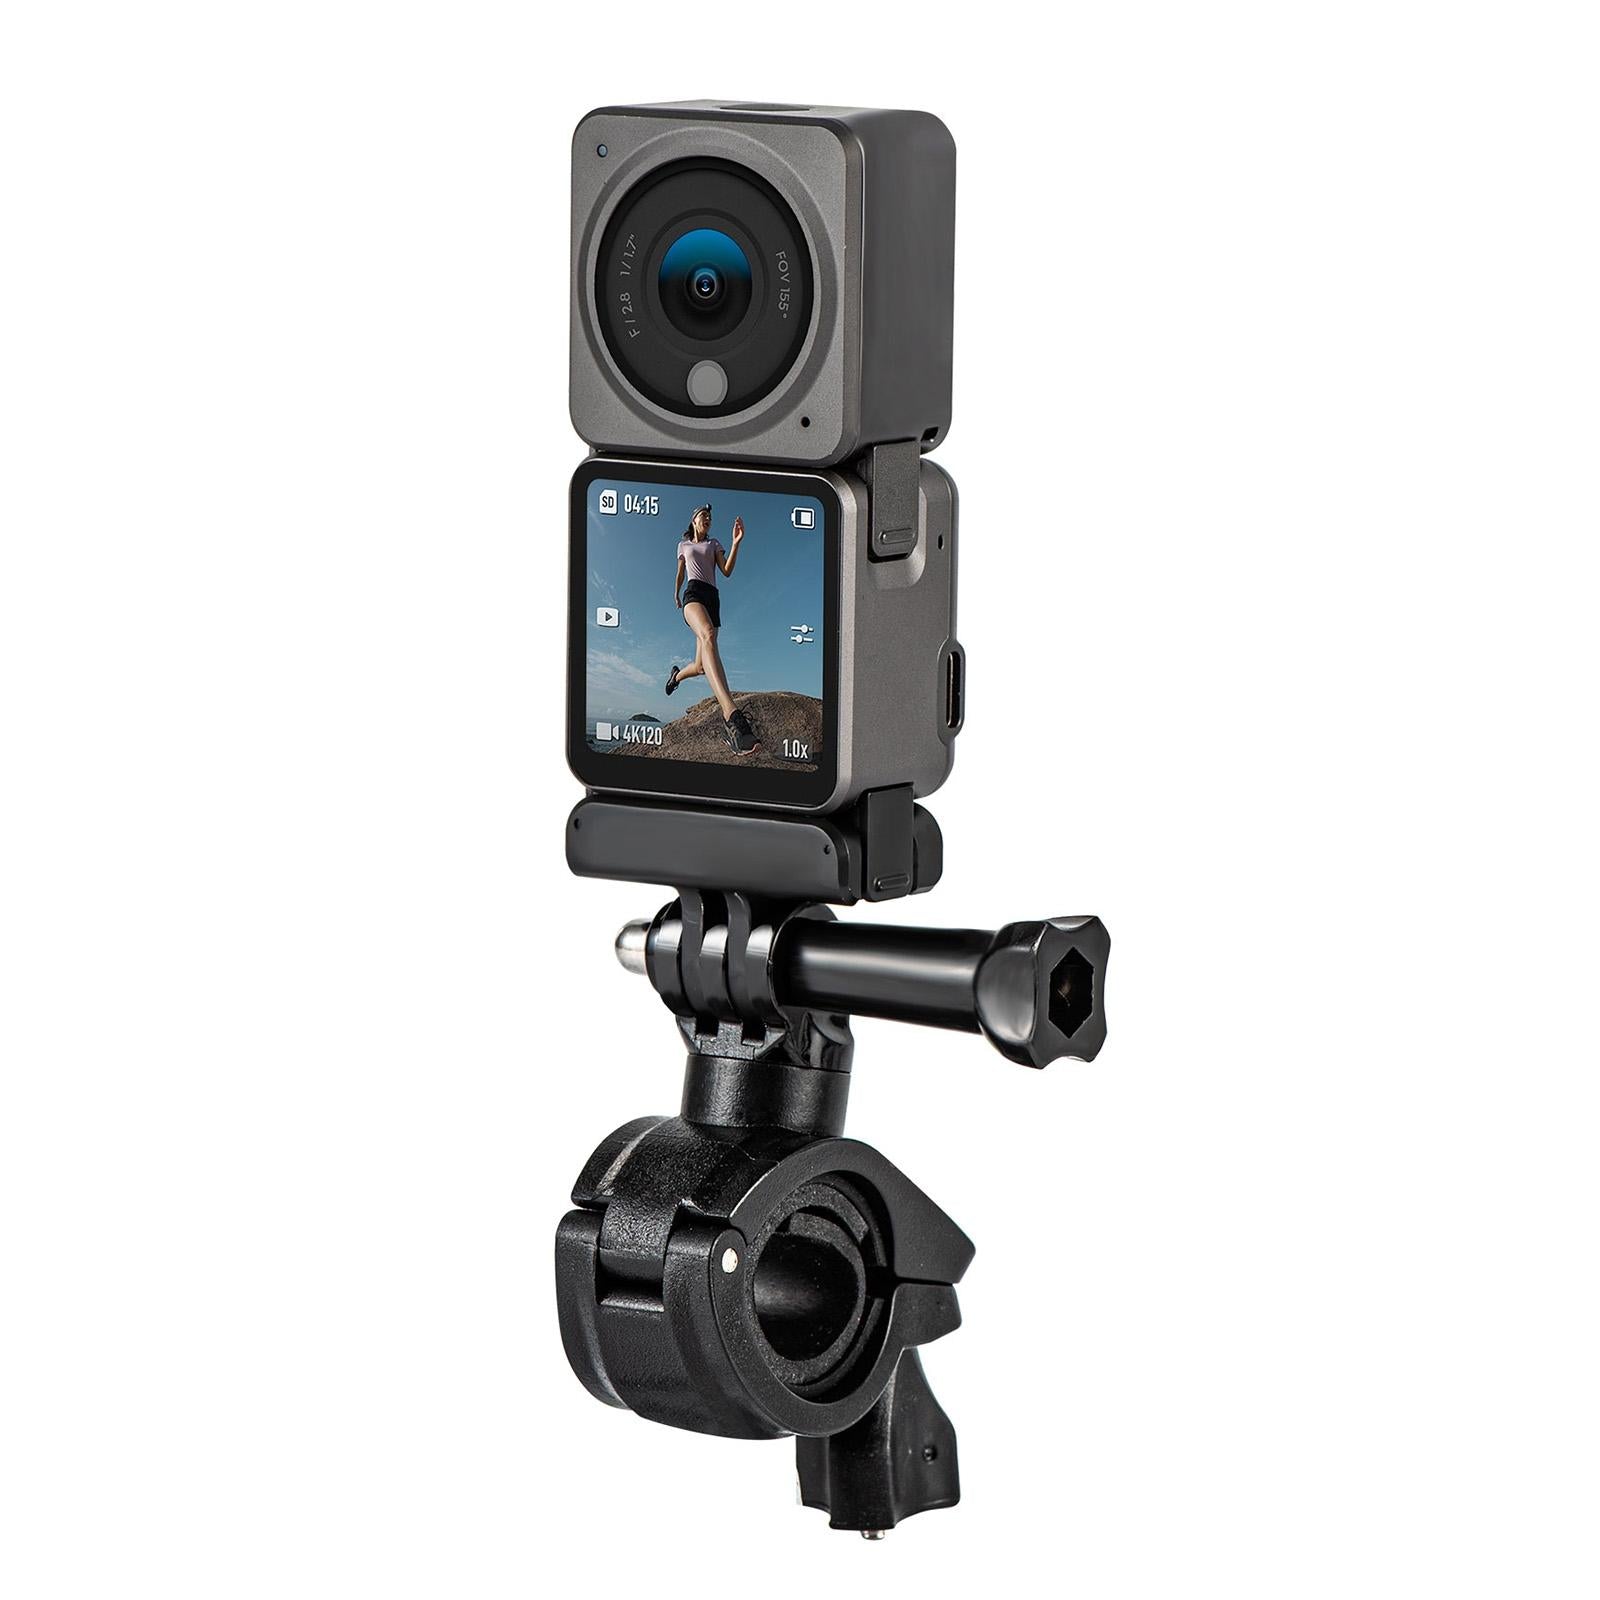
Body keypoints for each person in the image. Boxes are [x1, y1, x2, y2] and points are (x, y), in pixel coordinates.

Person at [665, 504, 760, 755]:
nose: (707, 518)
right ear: (694, 520)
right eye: (703, 515)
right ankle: (732, 716)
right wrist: (676, 593)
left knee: (700, 667)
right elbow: (680, 573)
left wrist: (736, 543)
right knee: (708, 634)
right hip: (693, 594)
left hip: (712, 598)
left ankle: (675, 677)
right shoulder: (683, 545)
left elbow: (726, 571)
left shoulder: (714, 543)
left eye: (709, 516)